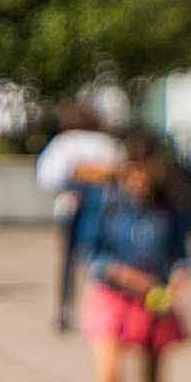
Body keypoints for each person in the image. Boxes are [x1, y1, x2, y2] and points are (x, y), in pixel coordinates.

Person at [80, 135, 191, 382]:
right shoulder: (107, 202)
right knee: (109, 377)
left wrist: (178, 278)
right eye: (133, 174)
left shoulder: (168, 208)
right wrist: (123, 275)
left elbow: (181, 255)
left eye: (144, 175)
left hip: (154, 299)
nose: (138, 182)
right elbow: (91, 256)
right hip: (113, 294)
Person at [36, 101, 123, 334]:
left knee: (68, 263)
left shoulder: (65, 143)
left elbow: (47, 176)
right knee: (100, 261)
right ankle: (102, 309)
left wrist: (80, 172)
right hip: (103, 210)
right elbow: (119, 175)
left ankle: (66, 309)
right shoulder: (107, 144)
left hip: (73, 208)